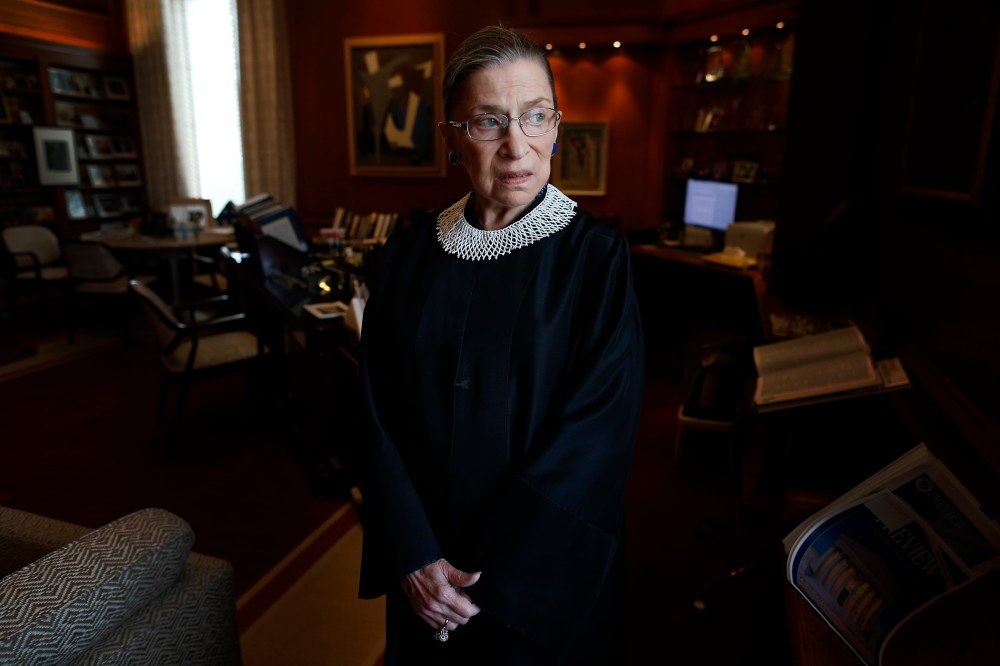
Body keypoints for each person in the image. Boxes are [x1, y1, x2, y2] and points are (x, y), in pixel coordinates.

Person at [357, 24, 645, 665]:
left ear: (556, 126)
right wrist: (413, 554)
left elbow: (596, 438)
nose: (518, 146)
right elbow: (373, 412)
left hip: (540, 584)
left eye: (535, 116)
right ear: (451, 140)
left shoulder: (596, 260)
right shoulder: (406, 256)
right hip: (422, 577)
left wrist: (486, 576)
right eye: (488, 122)